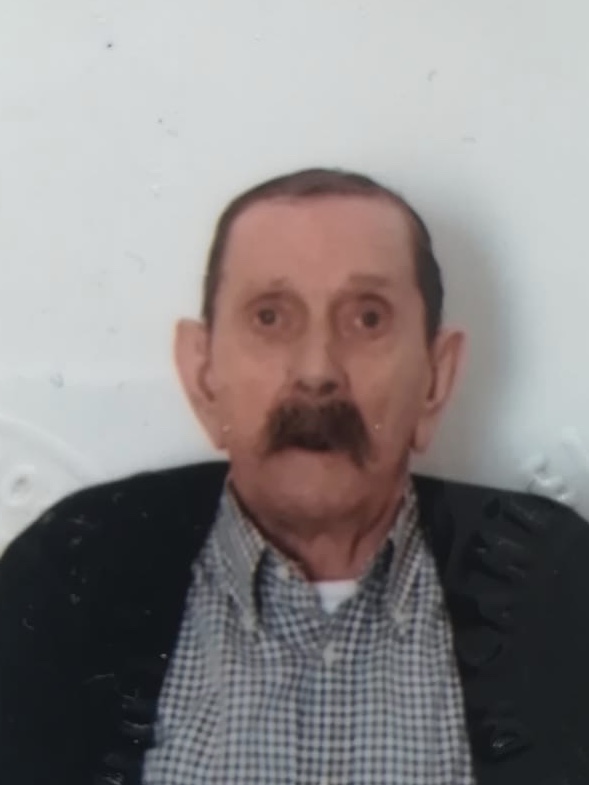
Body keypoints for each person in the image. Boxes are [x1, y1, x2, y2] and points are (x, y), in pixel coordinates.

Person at [1, 168, 589, 785]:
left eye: (367, 319)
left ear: (436, 378)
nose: (316, 372)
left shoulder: (560, 583)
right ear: (203, 376)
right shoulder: (70, 575)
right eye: (270, 318)